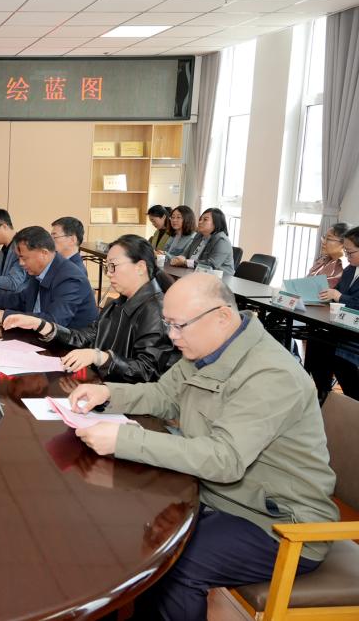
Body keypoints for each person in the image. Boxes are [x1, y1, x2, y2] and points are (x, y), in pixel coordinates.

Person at [66, 273, 337, 620]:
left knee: (175, 562)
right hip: (221, 498)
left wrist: (124, 439)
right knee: (135, 536)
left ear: (221, 317)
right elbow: (164, 395)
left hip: (281, 524)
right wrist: (108, 394)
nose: (171, 336)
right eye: (168, 324)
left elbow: (225, 458)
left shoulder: (271, 374)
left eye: (179, 325)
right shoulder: (208, 349)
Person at [39, 235, 177, 383]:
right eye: (107, 266)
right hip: (104, 385)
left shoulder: (157, 311)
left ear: (140, 267)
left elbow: (147, 371)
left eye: (113, 266)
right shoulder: (117, 304)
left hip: (122, 393)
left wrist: (101, 357)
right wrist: (44, 326)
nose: (108, 273)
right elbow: (86, 337)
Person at [0, 226, 98, 330]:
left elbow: (54, 321)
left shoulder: (70, 279)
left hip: (67, 345)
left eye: (24, 258)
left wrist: (5, 315)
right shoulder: (39, 269)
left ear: (44, 253)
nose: (21, 263)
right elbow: (22, 299)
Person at [307, 225, 359, 400]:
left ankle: (351, 398)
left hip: (354, 332)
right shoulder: (350, 270)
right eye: (346, 251)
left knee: (337, 353)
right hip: (343, 325)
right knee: (316, 338)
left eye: (350, 252)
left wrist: (339, 296)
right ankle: (323, 391)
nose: (347, 255)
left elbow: (346, 298)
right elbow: (337, 294)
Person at [171, 207, 235, 274]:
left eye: (205, 219)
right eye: (200, 219)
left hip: (220, 277)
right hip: (195, 272)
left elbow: (211, 264)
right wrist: (178, 259)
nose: (200, 222)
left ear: (216, 223)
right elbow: (186, 254)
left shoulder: (222, 240)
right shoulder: (199, 235)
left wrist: (185, 262)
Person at [308, 222, 349, 288]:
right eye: (324, 237)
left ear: (344, 243)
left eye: (329, 239)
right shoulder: (322, 260)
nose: (323, 242)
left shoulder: (346, 267)